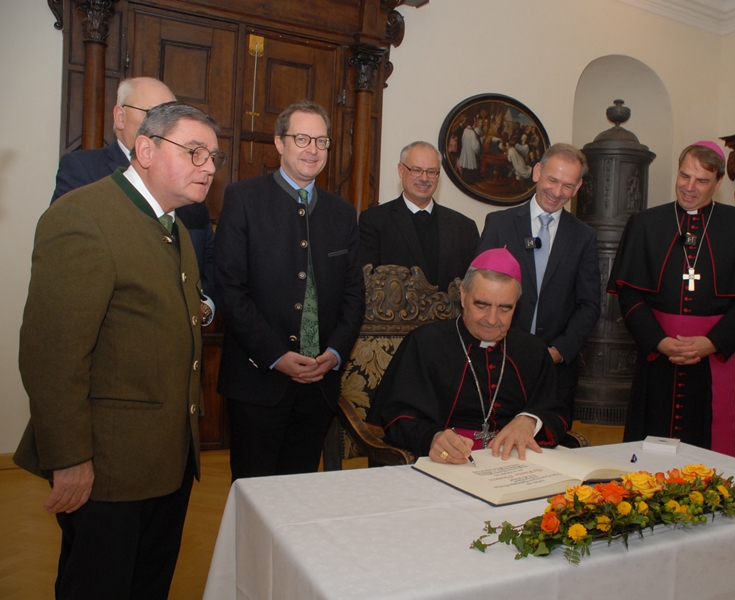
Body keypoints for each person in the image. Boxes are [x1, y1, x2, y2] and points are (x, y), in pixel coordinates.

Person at [14, 101, 223, 599]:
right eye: (195, 152)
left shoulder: (176, 228)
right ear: (145, 149)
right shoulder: (83, 216)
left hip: (167, 461)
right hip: (107, 469)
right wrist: (68, 458)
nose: (210, 167)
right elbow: (52, 356)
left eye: (214, 155)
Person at [215, 100, 364, 480]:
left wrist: (333, 353)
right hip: (258, 381)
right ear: (280, 143)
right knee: (254, 495)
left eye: (321, 140)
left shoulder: (342, 213)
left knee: (298, 499)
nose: (312, 149)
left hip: (319, 386)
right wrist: (275, 354)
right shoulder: (243, 199)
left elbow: (353, 295)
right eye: (302, 138)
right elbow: (230, 289)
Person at [607, 141, 735, 459]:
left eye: (701, 180)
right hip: (658, 357)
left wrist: (713, 342)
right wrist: (657, 340)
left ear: (719, 182)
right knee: (648, 442)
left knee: (710, 446)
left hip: (713, 359)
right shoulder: (645, 224)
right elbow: (629, 293)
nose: (689, 187)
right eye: (684, 176)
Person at [367, 248, 569, 463]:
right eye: (482, 305)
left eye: (504, 308)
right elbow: (397, 415)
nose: (492, 319)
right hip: (446, 463)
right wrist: (432, 438)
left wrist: (530, 420)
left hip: (515, 463)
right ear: (463, 294)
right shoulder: (424, 343)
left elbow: (556, 411)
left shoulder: (533, 350)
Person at [51, 77, 217, 306]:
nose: (162, 124)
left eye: (170, 117)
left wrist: (204, 305)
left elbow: (206, 258)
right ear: (120, 116)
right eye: (152, 114)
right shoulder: (83, 173)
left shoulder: (189, 184)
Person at [478, 143, 601, 426]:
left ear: (578, 186)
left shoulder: (583, 236)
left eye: (568, 185)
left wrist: (559, 351)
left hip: (554, 372)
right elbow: (479, 291)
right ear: (537, 172)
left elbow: (589, 305)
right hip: (497, 362)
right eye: (552, 180)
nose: (558, 193)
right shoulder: (499, 224)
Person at [358, 141, 479, 290]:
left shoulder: (464, 228)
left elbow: (473, 287)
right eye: (416, 170)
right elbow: (366, 284)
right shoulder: (374, 222)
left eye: (431, 171)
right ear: (401, 170)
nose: (424, 178)